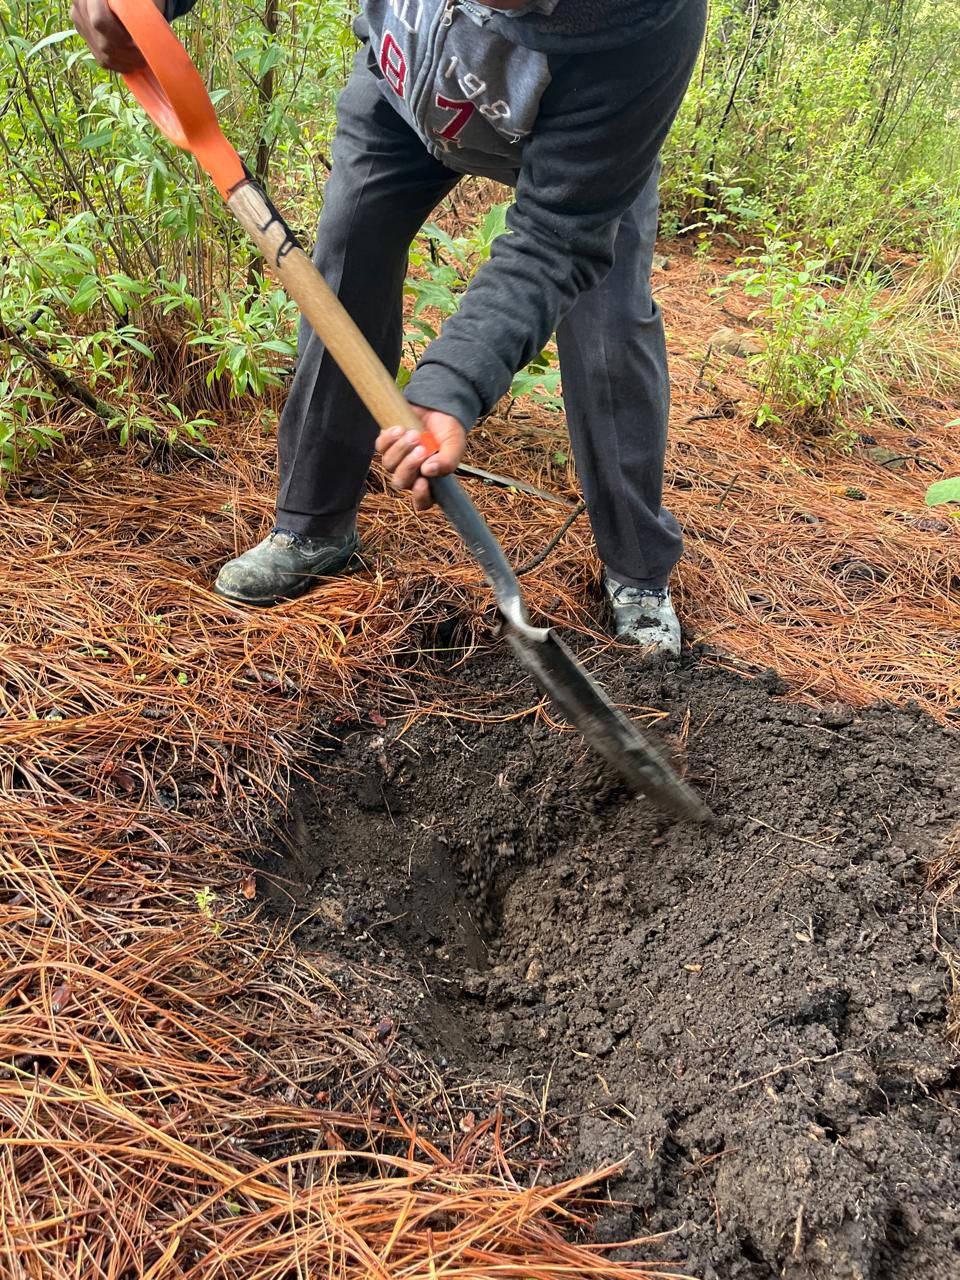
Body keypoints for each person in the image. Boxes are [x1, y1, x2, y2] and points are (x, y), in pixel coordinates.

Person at [72, 0, 706, 657]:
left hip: (587, 151)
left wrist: (451, 384)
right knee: (347, 261)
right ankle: (313, 525)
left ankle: (638, 570)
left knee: (610, 330)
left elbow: (559, 237)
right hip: (405, 88)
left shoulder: (650, 24)